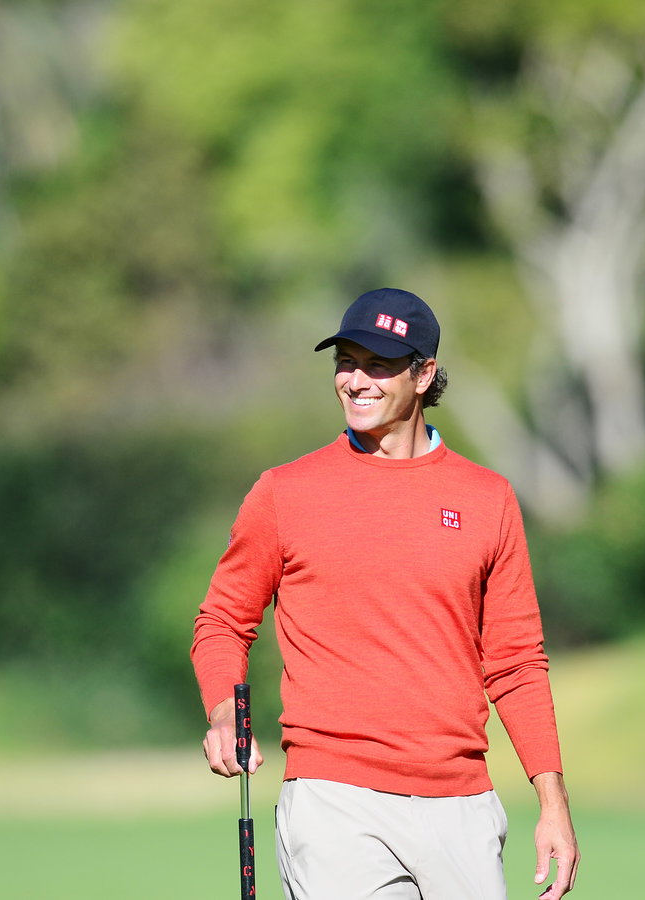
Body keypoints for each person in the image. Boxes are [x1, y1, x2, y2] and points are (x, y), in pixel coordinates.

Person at [193, 287, 579, 900]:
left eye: (378, 365)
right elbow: (223, 619)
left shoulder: (489, 499)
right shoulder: (285, 493)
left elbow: (516, 663)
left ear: (424, 375)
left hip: (462, 802)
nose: (356, 380)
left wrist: (552, 803)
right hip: (335, 800)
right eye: (346, 361)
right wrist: (223, 712)